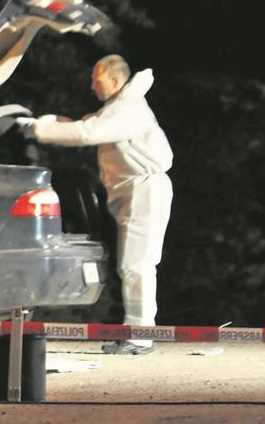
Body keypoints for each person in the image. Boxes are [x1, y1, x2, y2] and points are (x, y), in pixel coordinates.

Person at [19, 55, 173, 355]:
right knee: (133, 265)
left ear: (115, 80)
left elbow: (87, 134)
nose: (91, 85)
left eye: (96, 79)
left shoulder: (128, 110)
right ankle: (138, 333)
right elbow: (85, 124)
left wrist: (39, 130)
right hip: (136, 191)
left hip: (145, 190)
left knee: (136, 265)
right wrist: (49, 122)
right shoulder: (118, 108)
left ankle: (139, 336)